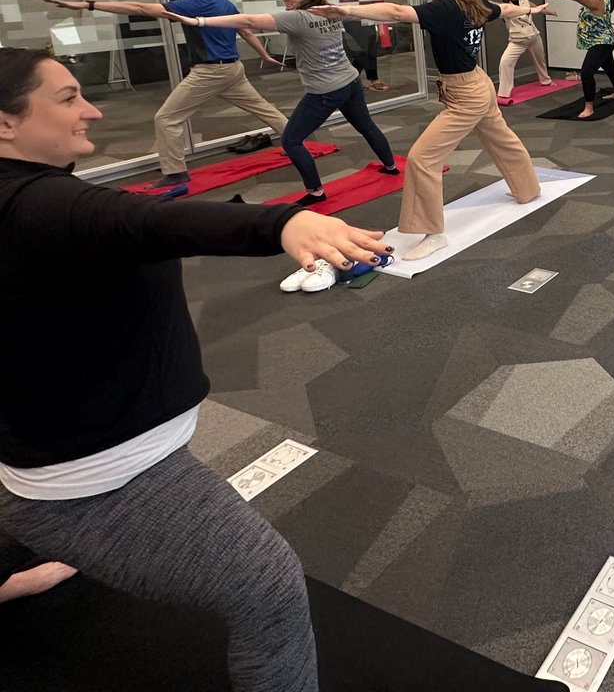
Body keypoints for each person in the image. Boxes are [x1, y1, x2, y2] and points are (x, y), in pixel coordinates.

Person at [0, 46, 392, 692]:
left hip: (46, 456)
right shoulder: (43, 209)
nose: (92, 110)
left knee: (28, 507)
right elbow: (151, 223)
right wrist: (282, 223)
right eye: (68, 97)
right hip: (102, 482)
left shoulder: (31, 205)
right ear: (7, 123)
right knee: (270, 589)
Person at [311, 0, 548, 261]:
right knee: (500, 138)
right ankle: (527, 189)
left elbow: (395, 12)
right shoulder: (472, 2)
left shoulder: (444, 9)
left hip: (466, 92)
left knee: (422, 159)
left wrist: (345, 9)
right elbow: (505, 9)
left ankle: (434, 234)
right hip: (478, 83)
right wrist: (531, 9)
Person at [43, 0, 289, 187]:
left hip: (211, 72)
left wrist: (89, 4)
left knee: (167, 118)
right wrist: (264, 55)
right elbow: (244, 30)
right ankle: (294, 140)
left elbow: (139, 8)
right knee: (262, 107)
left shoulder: (195, 3)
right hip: (232, 68)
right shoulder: (222, 1)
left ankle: (175, 172)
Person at [166, 0, 398, 207]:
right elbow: (308, 2)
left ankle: (316, 192)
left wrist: (200, 22)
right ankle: (391, 167)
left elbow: (248, 21)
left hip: (325, 90)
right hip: (349, 81)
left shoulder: (297, 18)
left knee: (291, 140)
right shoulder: (326, 10)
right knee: (366, 126)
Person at [551, 0, 614, 120]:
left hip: (602, 41)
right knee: (609, 67)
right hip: (605, 40)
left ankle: (589, 107)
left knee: (586, 72)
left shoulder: (597, 0)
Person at [324, 0, 388, 93]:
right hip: (352, 20)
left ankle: (353, 79)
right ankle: (371, 79)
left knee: (369, 49)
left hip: (367, 18)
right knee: (364, 49)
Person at [496, 0, 554, 103]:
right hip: (517, 40)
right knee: (505, 62)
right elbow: (493, 8)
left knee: (540, 60)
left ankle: (546, 80)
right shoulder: (504, 6)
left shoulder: (524, 0)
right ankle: (503, 93)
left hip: (533, 35)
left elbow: (537, 8)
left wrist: (549, 12)